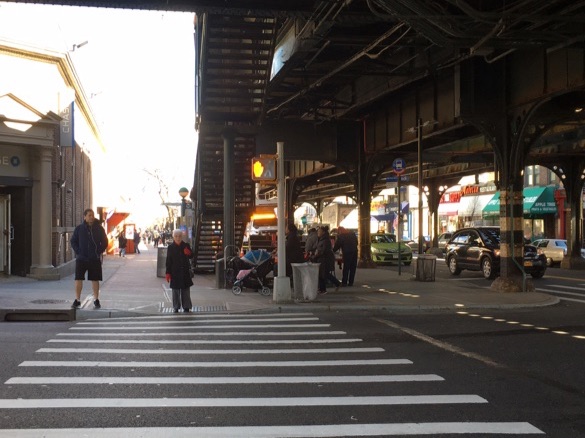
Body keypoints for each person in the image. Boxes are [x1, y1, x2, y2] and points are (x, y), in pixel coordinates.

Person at [70, 208, 108, 309]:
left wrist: (98, 251)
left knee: (95, 279)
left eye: (92, 215)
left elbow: (105, 242)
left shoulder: (99, 228)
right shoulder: (79, 229)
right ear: (85, 217)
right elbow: (73, 241)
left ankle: (96, 299)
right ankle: (77, 300)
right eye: (89, 215)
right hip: (81, 258)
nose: (91, 217)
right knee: (78, 278)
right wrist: (78, 251)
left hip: (94, 258)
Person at [165, 229, 194, 313]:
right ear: (173, 237)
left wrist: (188, 253)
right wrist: (168, 273)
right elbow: (168, 261)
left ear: (182, 237)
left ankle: (186, 306)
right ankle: (176, 307)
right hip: (175, 272)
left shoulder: (186, 245)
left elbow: (192, 256)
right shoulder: (170, 247)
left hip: (184, 272)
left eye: (180, 236)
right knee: (175, 291)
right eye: (176, 236)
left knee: (185, 290)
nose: (178, 238)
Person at [313, 226, 341, 294]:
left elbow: (323, 250)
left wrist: (316, 255)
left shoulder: (325, 240)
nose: (318, 233)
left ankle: (325, 288)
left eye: (319, 231)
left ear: (323, 232)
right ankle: (322, 288)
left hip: (325, 260)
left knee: (324, 274)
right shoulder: (321, 239)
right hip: (321, 259)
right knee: (322, 274)